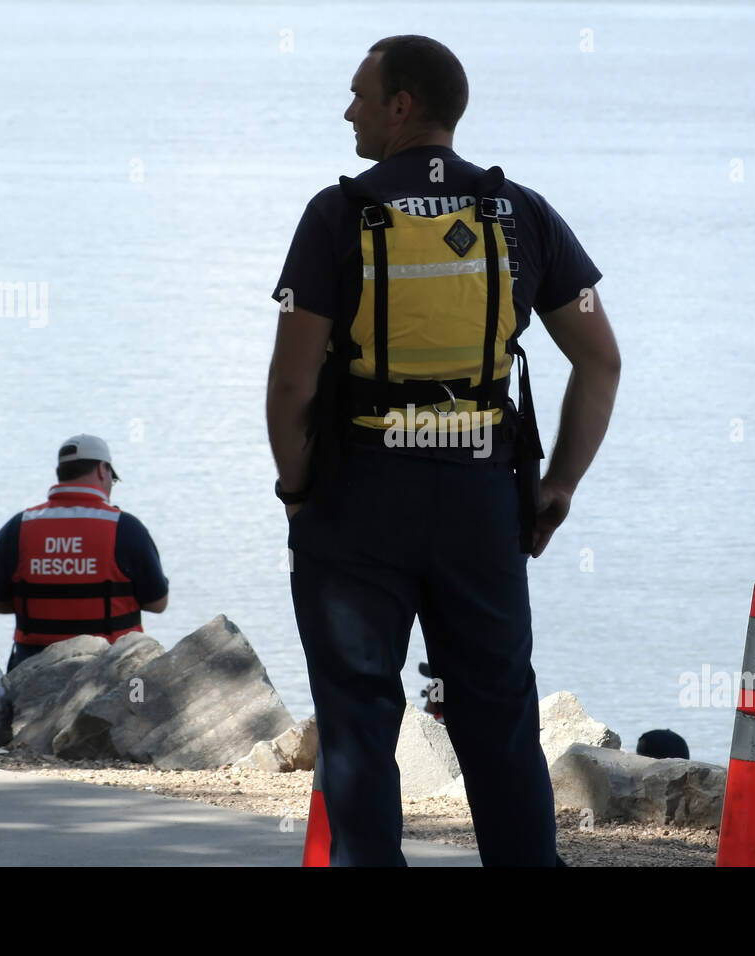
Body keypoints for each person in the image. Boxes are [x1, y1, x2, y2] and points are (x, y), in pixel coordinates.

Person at [267, 35, 620, 866]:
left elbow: (289, 389)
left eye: (358, 93)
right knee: (497, 717)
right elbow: (600, 358)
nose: (346, 109)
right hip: (482, 495)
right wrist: (560, 483)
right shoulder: (519, 212)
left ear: (401, 105)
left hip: (357, 497)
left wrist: (296, 489)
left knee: (357, 718)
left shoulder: (337, 213)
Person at [0, 434, 169, 672]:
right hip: (111, 669)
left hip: (32, 671)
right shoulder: (127, 528)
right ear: (102, 470)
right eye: (112, 478)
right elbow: (158, 603)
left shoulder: (16, 527)